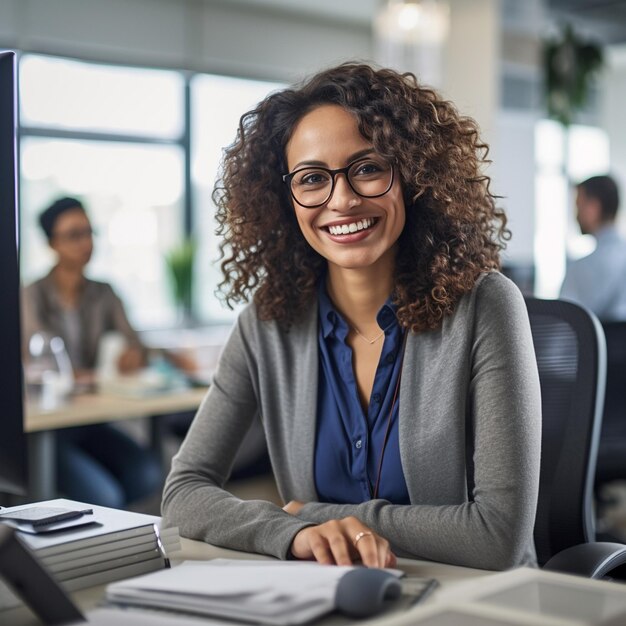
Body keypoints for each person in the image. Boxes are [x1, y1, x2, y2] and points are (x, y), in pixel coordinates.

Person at [162, 63, 541, 571]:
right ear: (285, 198)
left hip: (478, 600)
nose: (341, 200)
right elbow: (182, 493)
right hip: (331, 596)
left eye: (367, 168)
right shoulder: (268, 324)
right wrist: (289, 533)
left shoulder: (486, 307)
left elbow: (497, 536)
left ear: (411, 176)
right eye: (313, 178)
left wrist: (315, 515)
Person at [22, 196, 163, 509]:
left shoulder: (104, 292)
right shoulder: (31, 295)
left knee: (148, 474)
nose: (85, 242)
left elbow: (136, 342)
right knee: (104, 496)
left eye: (88, 232)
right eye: (74, 235)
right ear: (51, 243)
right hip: (48, 426)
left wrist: (135, 353)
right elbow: (40, 361)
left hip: (89, 419)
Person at [560, 175, 626, 320]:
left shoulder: (579, 270)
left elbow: (563, 326)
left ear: (593, 208)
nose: (576, 216)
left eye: (578, 206)